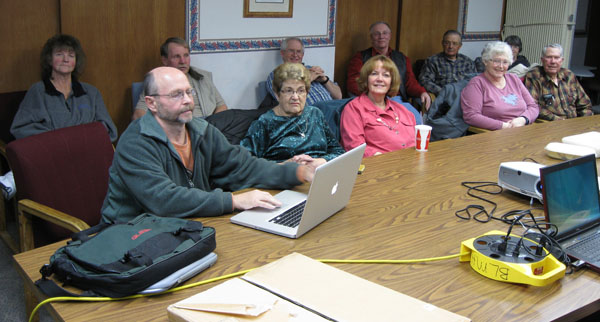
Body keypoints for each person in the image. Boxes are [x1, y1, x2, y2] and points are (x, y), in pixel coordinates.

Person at [101, 67, 316, 223]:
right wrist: (232, 201)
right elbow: (163, 200)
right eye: (176, 94)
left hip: (187, 225)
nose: (187, 100)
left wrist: (297, 173)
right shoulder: (136, 141)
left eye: (188, 92)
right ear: (151, 103)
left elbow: (243, 167)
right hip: (131, 235)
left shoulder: (200, 130)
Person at [2, 34, 118, 200]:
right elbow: (20, 128)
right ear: (49, 60)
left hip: (85, 153)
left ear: (76, 61)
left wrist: (79, 138)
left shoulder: (91, 92)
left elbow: (109, 130)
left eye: (71, 55)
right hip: (52, 155)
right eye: (59, 54)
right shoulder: (38, 91)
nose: (65, 59)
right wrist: (56, 140)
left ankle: (12, 179)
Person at [242, 63, 345, 166]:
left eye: (301, 90)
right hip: (285, 179)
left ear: (307, 92)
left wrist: (320, 161)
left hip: (319, 175)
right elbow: (246, 166)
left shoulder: (315, 114)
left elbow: (338, 151)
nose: (295, 97)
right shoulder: (265, 123)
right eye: (289, 91)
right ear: (277, 94)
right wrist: (286, 165)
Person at [132, 37, 227, 120]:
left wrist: (213, 126)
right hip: (180, 129)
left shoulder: (203, 77)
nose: (183, 61)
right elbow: (138, 114)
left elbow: (221, 106)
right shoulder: (157, 82)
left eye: (186, 55)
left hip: (209, 126)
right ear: (165, 60)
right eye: (176, 56)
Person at [340, 55, 417, 157]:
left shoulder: (403, 110)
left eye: (386, 75)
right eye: (374, 74)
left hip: (409, 164)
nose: (380, 79)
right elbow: (355, 147)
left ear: (391, 81)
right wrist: (384, 159)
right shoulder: (353, 109)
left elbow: (416, 144)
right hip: (377, 167)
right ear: (366, 79)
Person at [347, 22, 431, 110]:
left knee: (415, 119)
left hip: (396, 100)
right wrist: (375, 96)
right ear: (371, 37)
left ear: (390, 36)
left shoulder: (402, 58)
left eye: (384, 33)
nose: (381, 36)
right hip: (370, 99)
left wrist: (422, 92)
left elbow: (410, 83)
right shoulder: (359, 58)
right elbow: (353, 84)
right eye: (377, 34)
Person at [461, 41, 539, 130]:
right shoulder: (477, 84)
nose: (501, 66)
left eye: (505, 62)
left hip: (522, 129)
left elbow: (533, 106)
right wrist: (503, 126)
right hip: (495, 135)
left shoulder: (514, 79)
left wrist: (523, 119)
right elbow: (471, 116)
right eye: (497, 61)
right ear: (485, 61)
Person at [524, 43, 592, 120]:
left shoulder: (569, 75)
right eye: (549, 57)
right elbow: (533, 106)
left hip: (574, 123)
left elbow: (585, 104)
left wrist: (585, 121)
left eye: (556, 57)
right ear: (542, 60)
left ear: (561, 60)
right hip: (549, 124)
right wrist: (560, 121)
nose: (553, 61)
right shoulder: (534, 76)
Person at [266, 37, 342, 106]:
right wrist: (308, 79)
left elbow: (339, 96)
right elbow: (285, 97)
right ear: (282, 53)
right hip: (312, 115)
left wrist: (325, 80)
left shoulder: (311, 69)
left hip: (333, 108)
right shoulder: (275, 74)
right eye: (291, 51)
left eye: (298, 51)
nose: (295, 55)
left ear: (302, 55)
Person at [418, 30, 477, 96]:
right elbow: (425, 81)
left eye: (454, 43)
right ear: (442, 43)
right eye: (447, 43)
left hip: (464, 98)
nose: (450, 46)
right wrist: (443, 92)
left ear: (460, 46)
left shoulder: (467, 62)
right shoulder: (432, 61)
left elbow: (475, 82)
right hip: (443, 99)